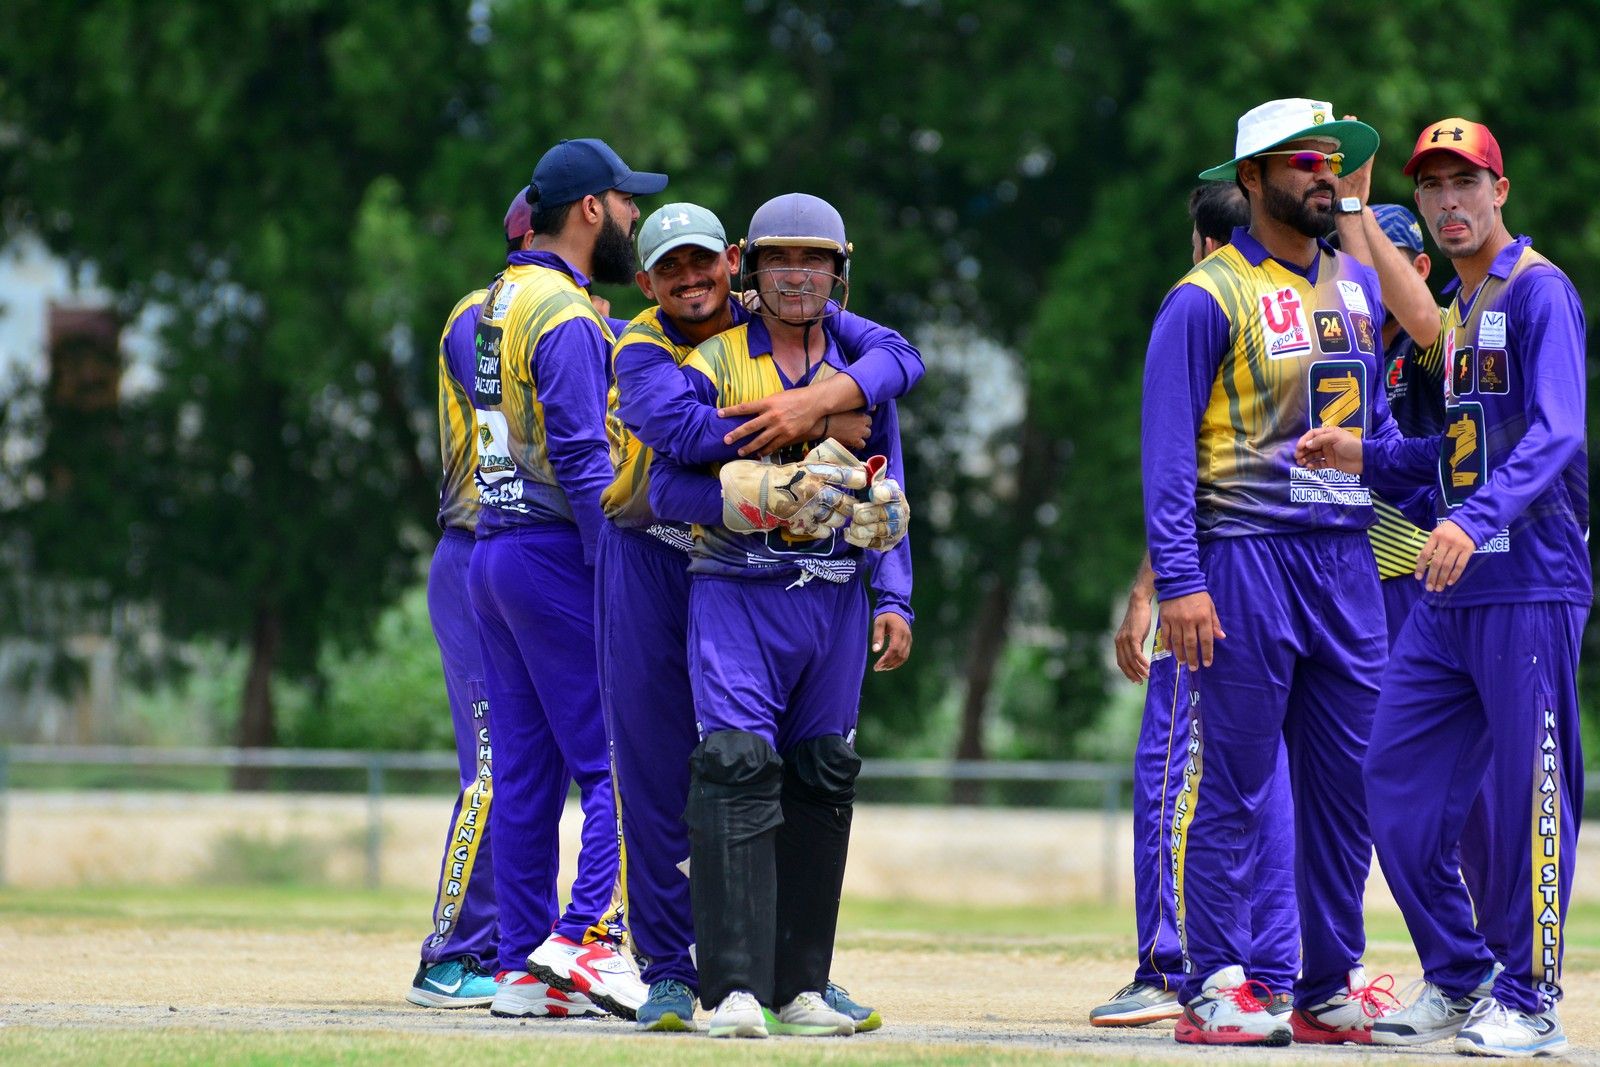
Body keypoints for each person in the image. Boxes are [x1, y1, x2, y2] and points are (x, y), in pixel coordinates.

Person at [1298, 117, 1589, 1057]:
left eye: (1466, 183)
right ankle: (1462, 974)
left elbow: (1557, 431)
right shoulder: (1460, 310)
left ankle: (1532, 998)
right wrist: (1364, 454)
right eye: (1431, 186)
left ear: (1500, 191)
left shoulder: (1539, 291)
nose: (1448, 201)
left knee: (1530, 794)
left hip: (1529, 581)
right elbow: (1451, 454)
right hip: (1449, 591)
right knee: (1393, 783)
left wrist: (1473, 518)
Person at [601, 201, 921, 1032]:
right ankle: (681, 973)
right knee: (691, 767)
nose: (690, 279)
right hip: (666, 556)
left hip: (820, 587)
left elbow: (900, 377)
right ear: (648, 282)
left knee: (818, 770)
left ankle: (795, 978)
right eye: (669, 268)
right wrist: (789, 440)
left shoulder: (842, 342)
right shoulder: (655, 347)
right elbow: (672, 442)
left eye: (701, 261)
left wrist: (894, 591)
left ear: (728, 260)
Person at [1142, 98, 1405, 1046]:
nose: (1324, 176)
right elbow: (1166, 455)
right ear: (1251, 178)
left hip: (1346, 559)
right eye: (1302, 162)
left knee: (1349, 785)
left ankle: (1324, 982)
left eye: (1332, 160)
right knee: (1239, 781)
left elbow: (1381, 428)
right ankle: (1215, 982)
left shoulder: (1361, 285)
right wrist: (1180, 581)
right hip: (1244, 556)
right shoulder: (1205, 296)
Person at [468, 138, 664, 1020]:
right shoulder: (570, 316)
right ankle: (590, 937)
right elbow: (585, 459)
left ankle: (520, 966)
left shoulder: (500, 296)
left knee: (525, 775)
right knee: (618, 754)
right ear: (591, 208)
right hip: (555, 552)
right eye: (626, 201)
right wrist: (612, 567)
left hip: (493, 548)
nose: (634, 216)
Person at [1097, 181, 1298, 1030]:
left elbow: (1190, 479)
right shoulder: (1301, 317)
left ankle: (1170, 962)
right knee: (1267, 781)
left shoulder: (1207, 305)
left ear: (1206, 244)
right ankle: (1276, 967)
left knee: (1177, 773)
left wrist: (1154, 588)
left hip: (1216, 586)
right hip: (1293, 577)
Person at [403, 193, 523, 1012]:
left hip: (534, 564)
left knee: (538, 768)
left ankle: (519, 948)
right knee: (491, 767)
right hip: (477, 553)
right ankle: (449, 955)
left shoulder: (591, 327)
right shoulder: (477, 316)